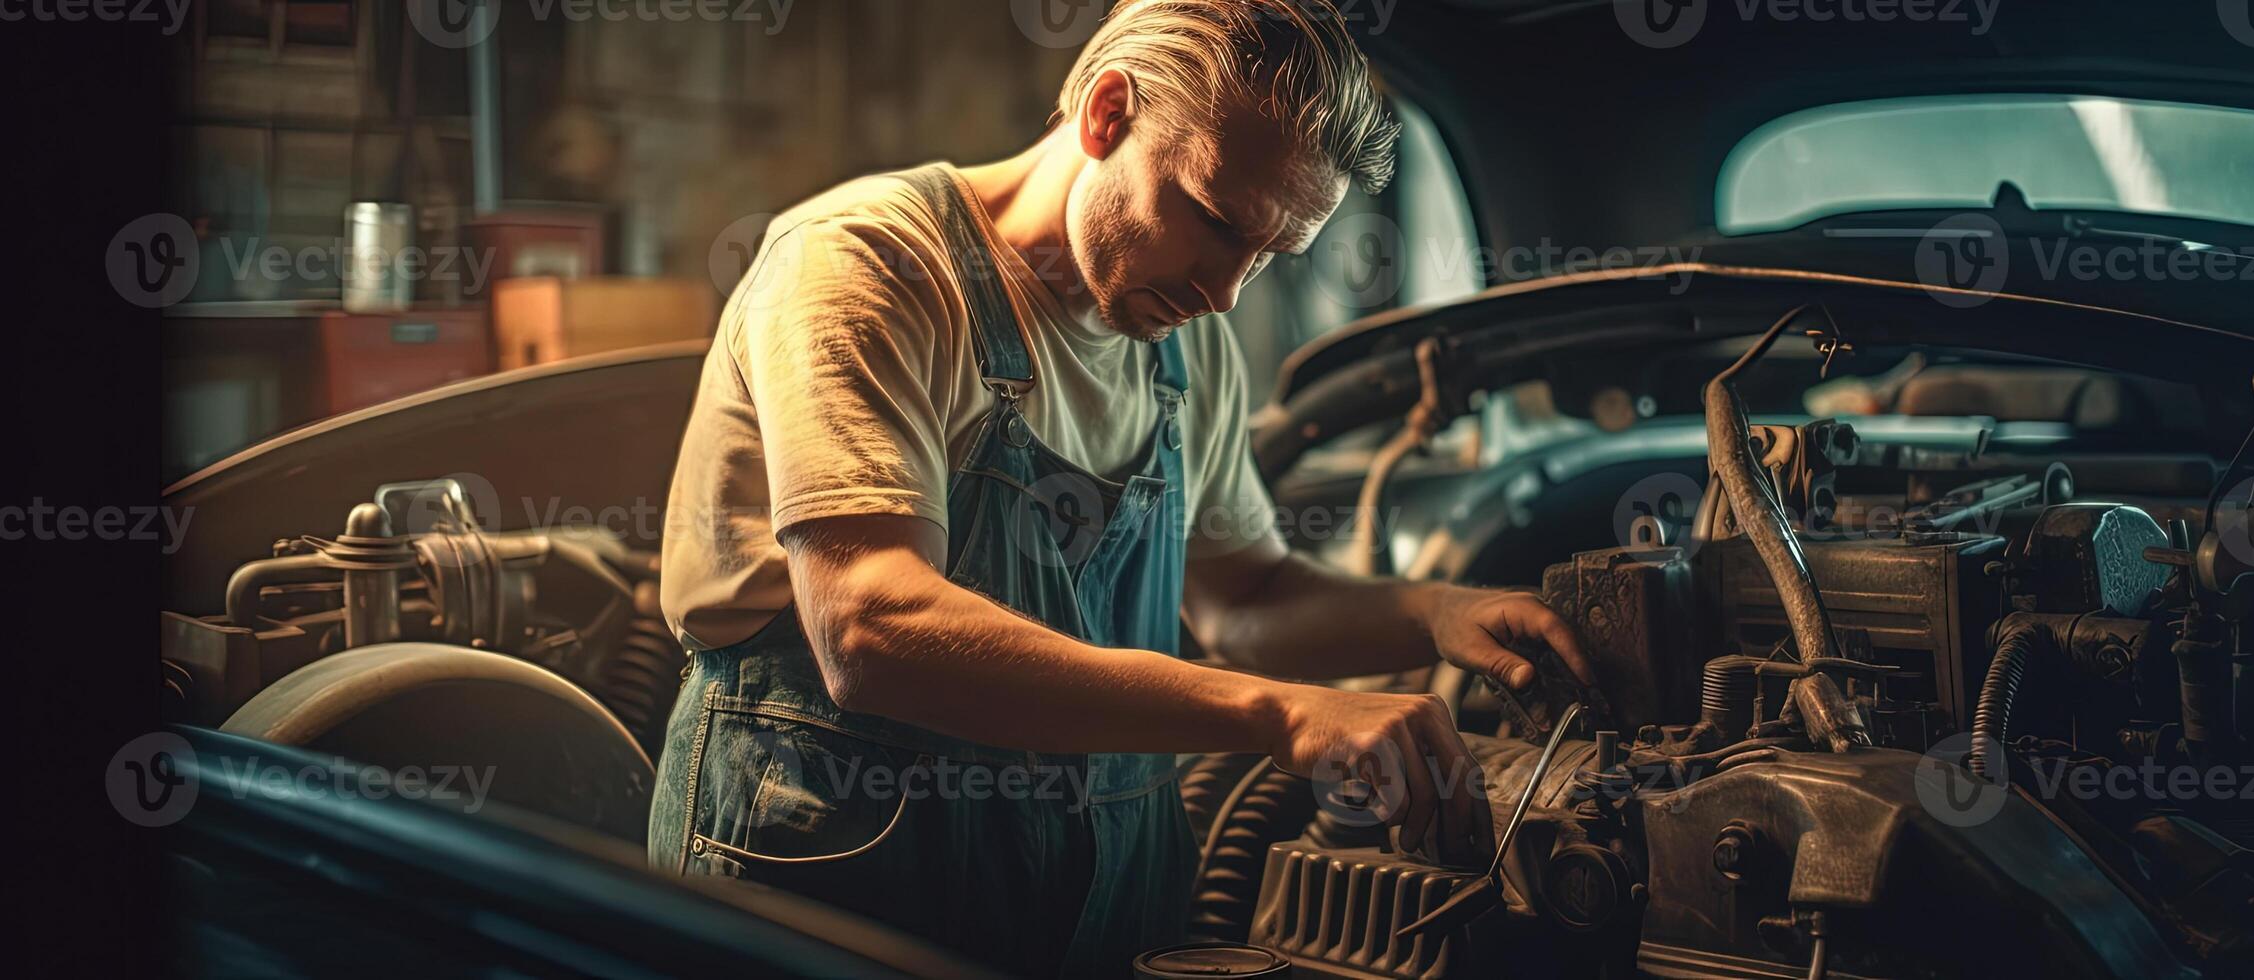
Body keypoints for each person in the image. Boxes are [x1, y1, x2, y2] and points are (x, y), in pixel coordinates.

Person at [649, 2, 1590, 974]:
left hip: (1103, 893)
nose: (1226, 291)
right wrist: (1276, 711)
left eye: (1269, 255)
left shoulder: (1188, 352)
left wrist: (1436, 611)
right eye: (1216, 221)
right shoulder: (869, 264)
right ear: (1105, 114)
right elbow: (869, 629)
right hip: (847, 864)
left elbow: (1248, 599)